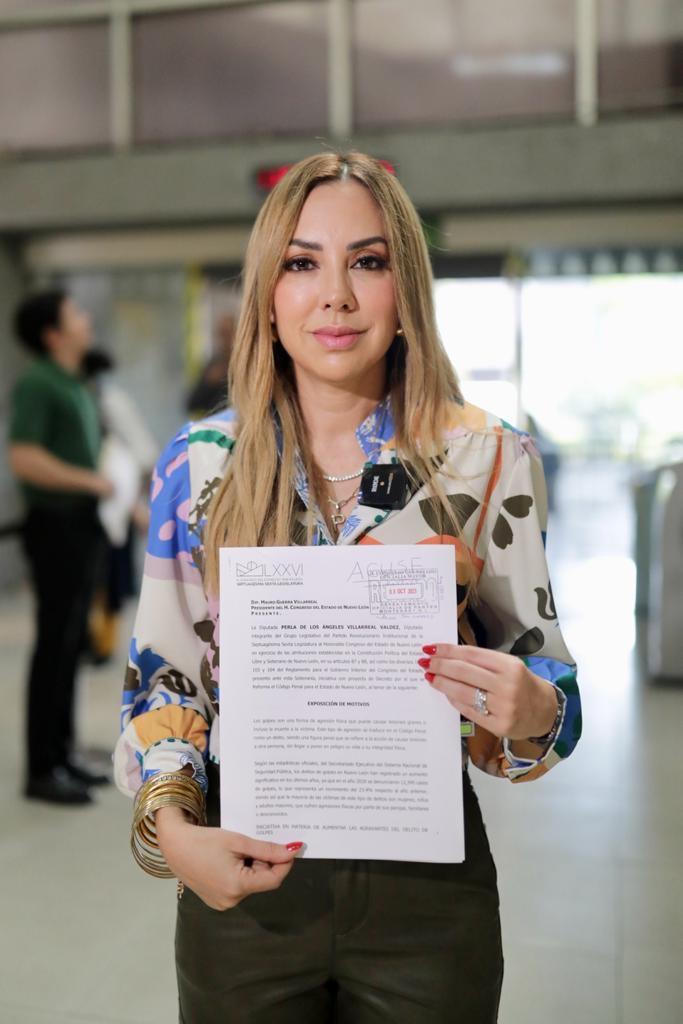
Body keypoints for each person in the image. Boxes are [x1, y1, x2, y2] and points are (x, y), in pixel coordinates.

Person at [114, 153, 582, 1023]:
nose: (334, 295)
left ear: (407, 291)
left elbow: (545, 678)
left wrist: (532, 709)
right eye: (301, 263)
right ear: (267, 294)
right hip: (241, 877)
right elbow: (164, 677)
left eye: (367, 261)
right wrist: (172, 833)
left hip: (426, 895)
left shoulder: (486, 459)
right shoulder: (200, 464)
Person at [9, 290, 113, 805]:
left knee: (72, 645)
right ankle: (42, 768)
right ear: (53, 334)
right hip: (55, 525)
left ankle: (63, 752)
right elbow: (23, 457)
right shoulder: (39, 384)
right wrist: (88, 481)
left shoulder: (73, 382)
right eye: (75, 313)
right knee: (54, 646)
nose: (85, 319)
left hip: (81, 524)